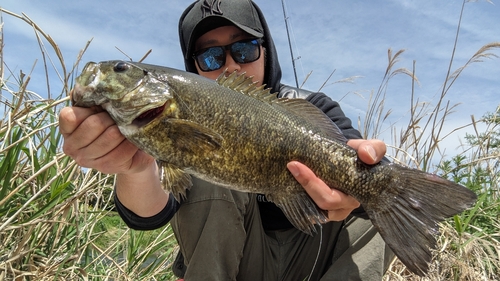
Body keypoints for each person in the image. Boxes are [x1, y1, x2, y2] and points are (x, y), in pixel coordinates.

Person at [59, 0, 394, 280]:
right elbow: (151, 213)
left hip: (313, 260)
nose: (230, 64)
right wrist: (132, 167)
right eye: (210, 57)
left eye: (244, 49)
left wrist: (363, 184)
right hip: (237, 264)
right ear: (194, 69)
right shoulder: (170, 120)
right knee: (207, 159)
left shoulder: (313, 108)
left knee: (383, 200)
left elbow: (362, 160)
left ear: (266, 51)